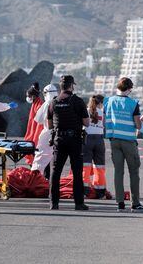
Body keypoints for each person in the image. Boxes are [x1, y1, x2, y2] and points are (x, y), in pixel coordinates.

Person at [104, 77, 143, 212]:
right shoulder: (133, 103)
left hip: (114, 140)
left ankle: (120, 203)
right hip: (128, 140)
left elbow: (105, 119)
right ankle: (135, 203)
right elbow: (138, 125)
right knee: (133, 171)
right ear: (129, 89)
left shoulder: (108, 101)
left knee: (118, 172)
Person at [47, 75, 90, 211]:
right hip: (74, 140)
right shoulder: (77, 101)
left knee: (56, 171)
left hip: (58, 140)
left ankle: (54, 203)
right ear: (71, 86)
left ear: (61, 86)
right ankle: (78, 203)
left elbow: (49, 125)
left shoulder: (53, 102)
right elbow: (86, 122)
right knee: (77, 172)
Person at [31, 84, 59, 178]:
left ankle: (36, 179)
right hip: (61, 134)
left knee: (40, 158)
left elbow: (38, 119)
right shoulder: (60, 101)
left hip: (48, 133)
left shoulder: (47, 104)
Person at [83, 94, 106, 198]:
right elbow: (104, 125)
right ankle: (100, 190)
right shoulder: (102, 113)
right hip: (99, 140)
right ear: (100, 103)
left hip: (87, 139)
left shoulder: (86, 111)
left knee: (86, 166)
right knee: (99, 166)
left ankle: (84, 190)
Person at [24, 82, 44, 166]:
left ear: (33, 96)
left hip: (36, 135)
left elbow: (39, 126)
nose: (27, 98)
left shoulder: (39, 105)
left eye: (28, 96)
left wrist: (35, 141)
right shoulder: (35, 103)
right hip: (32, 133)